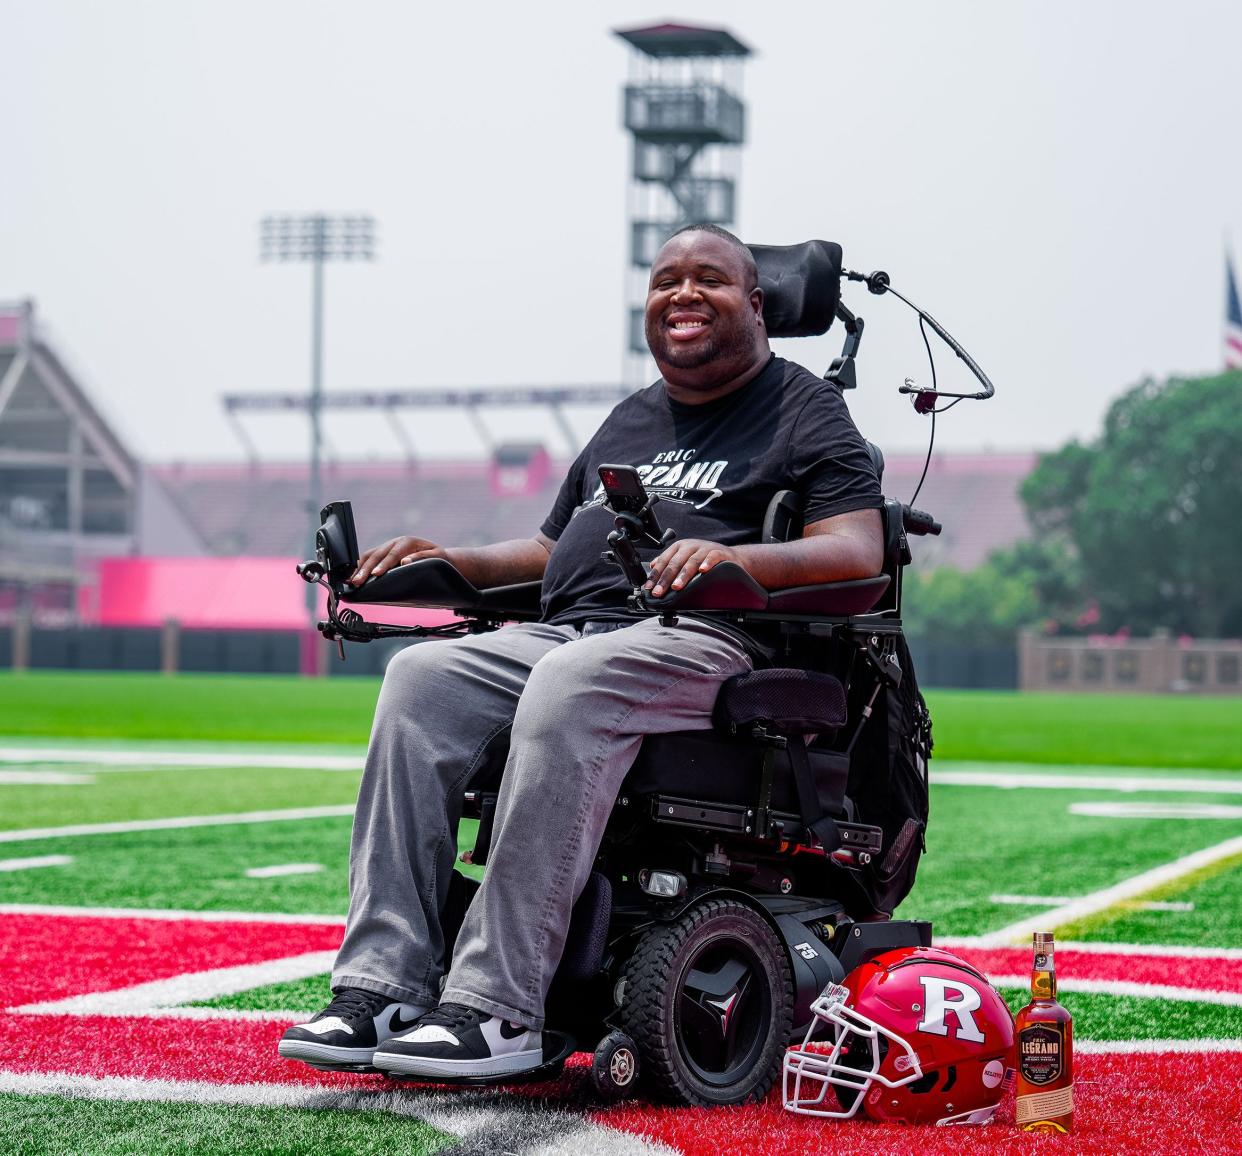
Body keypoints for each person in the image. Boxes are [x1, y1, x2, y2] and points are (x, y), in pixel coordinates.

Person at [279, 224, 884, 1080]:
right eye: (665, 280)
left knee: (570, 680)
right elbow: (546, 551)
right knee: (421, 678)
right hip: (575, 631)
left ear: (756, 304)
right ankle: (384, 984)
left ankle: (496, 1009)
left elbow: (858, 552)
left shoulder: (804, 410)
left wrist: (734, 559)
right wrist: (442, 561)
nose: (682, 294)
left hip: (710, 638)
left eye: (708, 279)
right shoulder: (629, 419)